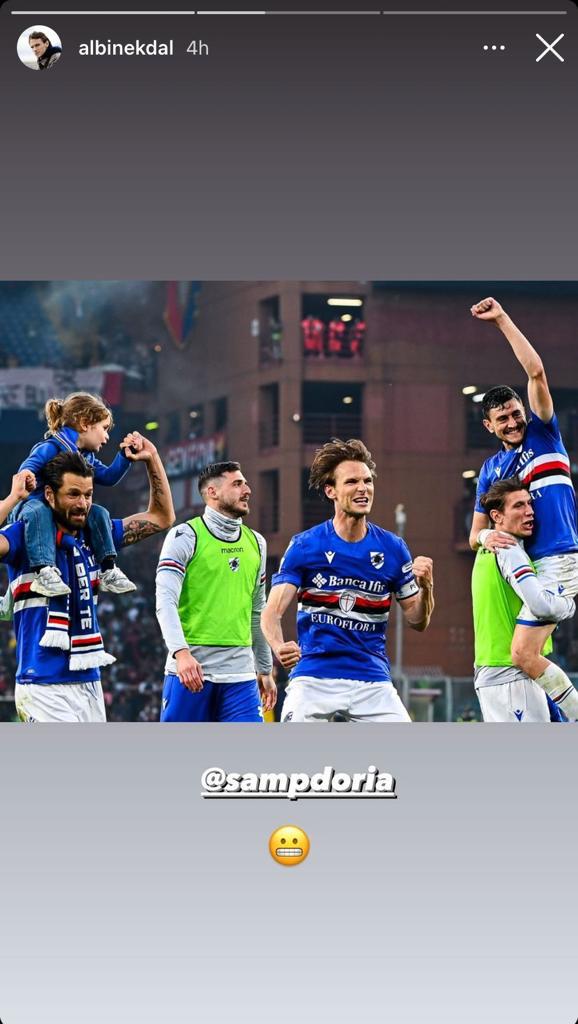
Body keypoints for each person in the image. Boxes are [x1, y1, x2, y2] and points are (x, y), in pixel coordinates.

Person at [0, 440, 175, 723]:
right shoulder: (24, 534)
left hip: (89, 681)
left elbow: (162, 517)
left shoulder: (96, 535)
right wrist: (12, 499)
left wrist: (152, 458)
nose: (82, 504)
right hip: (42, 685)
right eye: (73, 494)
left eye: (88, 494)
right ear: (49, 494)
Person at [261, 438, 434, 722]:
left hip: (372, 678)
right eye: (352, 481)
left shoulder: (393, 548)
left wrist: (427, 587)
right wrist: (279, 646)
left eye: (367, 481)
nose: (363, 488)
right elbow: (271, 613)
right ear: (331, 491)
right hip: (314, 676)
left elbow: (418, 620)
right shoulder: (305, 545)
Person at [468, 297, 578, 720]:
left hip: (559, 558)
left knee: (523, 654)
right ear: (489, 426)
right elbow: (474, 534)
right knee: (524, 658)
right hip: (526, 567)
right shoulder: (490, 470)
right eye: (503, 419)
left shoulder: (544, 434)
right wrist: (486, 535)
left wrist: (501, 320)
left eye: (516, 414)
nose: (513, 423)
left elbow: (535, 372)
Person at [155, 461, 275, 722]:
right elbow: (165, 601)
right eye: (237, 484)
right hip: (191, 671)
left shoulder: (257, 543)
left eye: (245, 483)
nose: (247, 490)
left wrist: (265, 669)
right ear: (213, 492)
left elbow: (258, 610)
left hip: (241, 677)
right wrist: (181, 654)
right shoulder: (185, 536)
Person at [12, 392, 139, 599]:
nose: (107, 437)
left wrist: (125, 457)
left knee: (98, 512)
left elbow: (108, 477)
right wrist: (28, 476)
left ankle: (108, 569)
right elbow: (26, 469)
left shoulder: (86, 457)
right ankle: (43, 571)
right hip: (30, 509)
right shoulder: (50, 447)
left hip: (61, 512)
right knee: (40, 510)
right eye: (104, 428)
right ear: (85, 423)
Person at [472, 477, 576, 722]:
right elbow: (540, 606)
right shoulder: (508, 549)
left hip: (506, 674)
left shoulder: (488, 547)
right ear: (497, 516)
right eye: (518, 505)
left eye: (529, 503)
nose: (529, 511)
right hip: (509, 676)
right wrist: (569, 604)